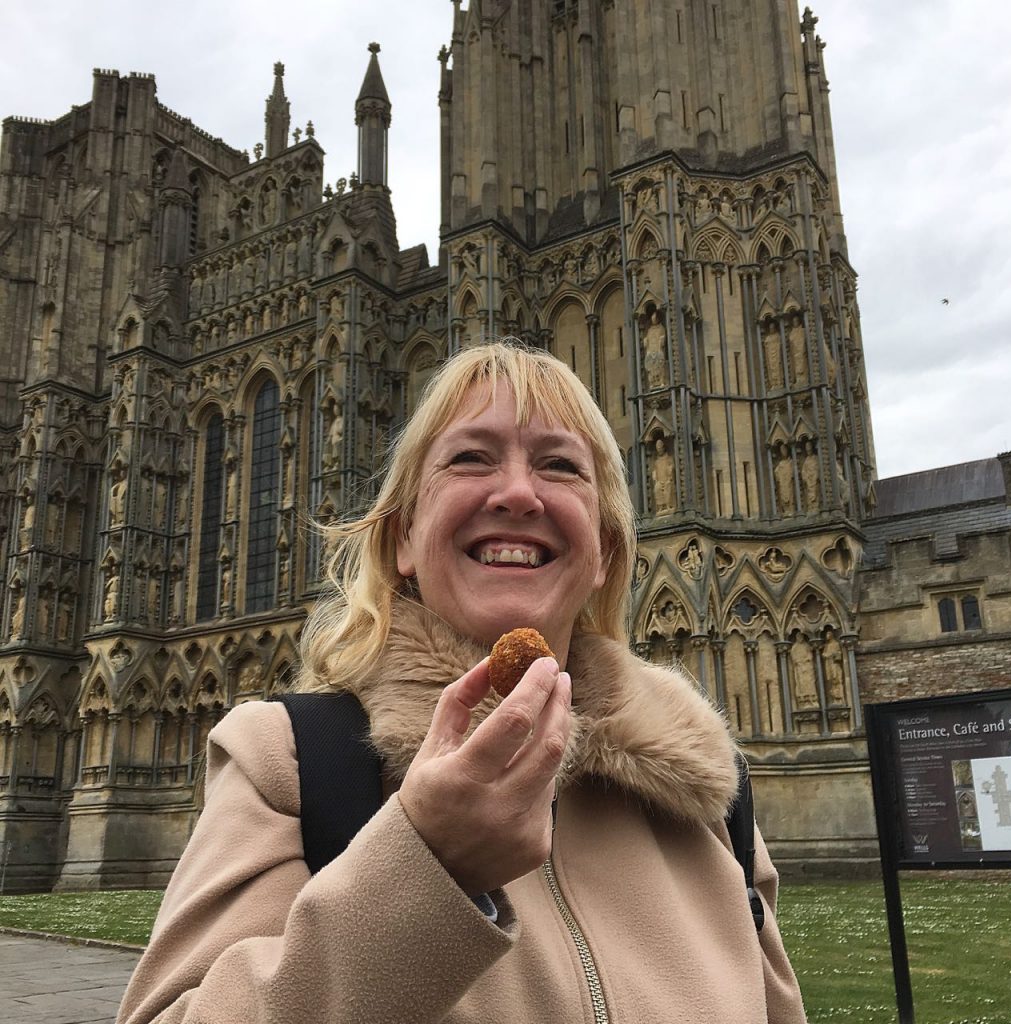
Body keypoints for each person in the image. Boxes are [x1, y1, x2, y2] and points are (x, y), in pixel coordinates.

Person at [117, 341, 805, 1024]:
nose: (516, 493)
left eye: (560, 466)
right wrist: (426, 866)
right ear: (404, 542)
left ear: (605, 553)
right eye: (471, 458)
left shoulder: (707, 792)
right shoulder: (288, 763)